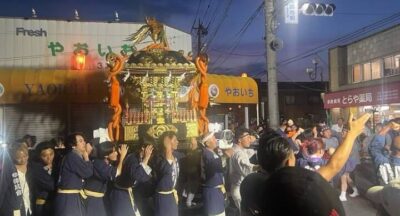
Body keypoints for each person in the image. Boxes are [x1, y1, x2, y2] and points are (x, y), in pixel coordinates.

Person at [240, 112, 371, 215]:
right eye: (292, 155)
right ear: (288, 161)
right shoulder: (298, 187)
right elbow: (334, 165)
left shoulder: (250, 183)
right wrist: (352, 134)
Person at [108, 142, 153, 216]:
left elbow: (144, 178)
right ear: (143, 148)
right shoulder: (133, 159)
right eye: (150, 149)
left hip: (128, 193)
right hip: (120, 194)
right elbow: (138, 175)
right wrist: (146, 158)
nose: (151, 152)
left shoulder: (139, 158)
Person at [54, 132, 93, 216]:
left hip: (71, 197)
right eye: (80, 141)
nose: (84, 143)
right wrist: (87, 157)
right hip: (69, 199)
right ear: (73, 145)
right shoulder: (72, 156)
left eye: (84, 140)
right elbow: (87, 172)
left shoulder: (73, 156)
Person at [85, 142, 128, 216]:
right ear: (106, 155)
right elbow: (116, 173)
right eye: (114, 152)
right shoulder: (98, 164)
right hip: (92, 200)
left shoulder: (103, 162)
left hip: (98, 198)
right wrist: (122, 158)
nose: (116, 153)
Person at [229, 128, 259, 211]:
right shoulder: (239, 154)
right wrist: (261, 166)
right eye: (248, 137)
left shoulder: (237, 149)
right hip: (240, 190)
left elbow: (250, 151)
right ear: (239, 139)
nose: (250, 140)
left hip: (238, 188)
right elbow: (247, 167)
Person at [0, 140, 32, 216]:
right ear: (13, 157)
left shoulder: (31, 168)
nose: (23, 160)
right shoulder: (8, 169)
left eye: (25, 156)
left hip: (27, 206)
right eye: (18, 158)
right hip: (14, 209)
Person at [153, 131, 180, 216]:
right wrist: (168, 149)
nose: (177, 141)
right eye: (175, 140)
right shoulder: (159, 157)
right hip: (163, 197)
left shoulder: (175, 156)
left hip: (172, 194)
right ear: (167, 141)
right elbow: (166, 170)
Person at [201, 132, 227, 216]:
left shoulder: (212, 153)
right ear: (207, 143)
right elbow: (212, 169)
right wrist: (225, 157)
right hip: (212, 191)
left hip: (217, 191)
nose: (216, 140)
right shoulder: (206, 154)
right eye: (213, 138)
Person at [29, 141, 57, 216]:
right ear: (39, 156)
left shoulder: (58, 166)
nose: (49, 158)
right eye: (44, 155)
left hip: (55, 203)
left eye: (51, 154)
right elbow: (51, 185)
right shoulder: (36, 169)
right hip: (41, 206)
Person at [369, 120, 400, 185]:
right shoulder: (385, 157)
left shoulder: (383, 160)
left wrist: (388, 126)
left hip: (388, 193)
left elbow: (375, 147)